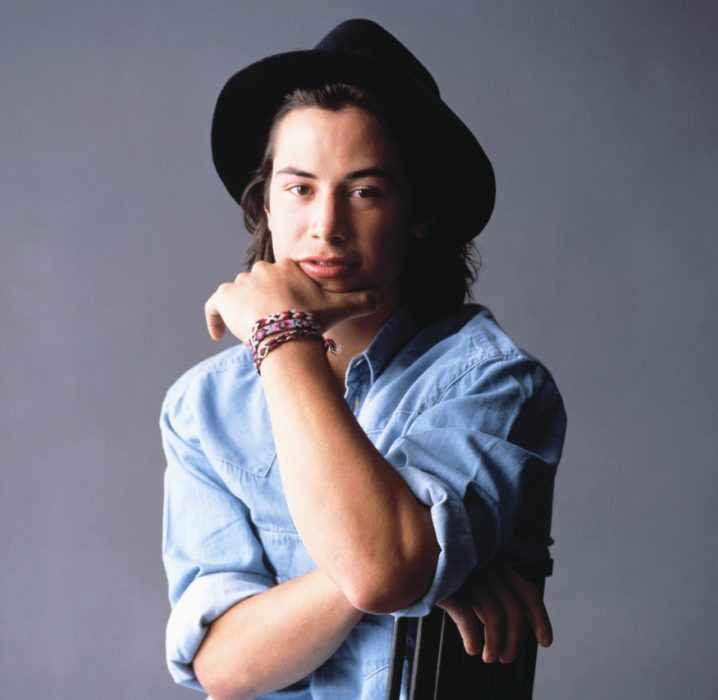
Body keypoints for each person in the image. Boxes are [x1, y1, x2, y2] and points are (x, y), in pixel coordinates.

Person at [161, 19, 566, 700]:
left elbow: (383, 573)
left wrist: (280, 340)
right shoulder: (205, 407)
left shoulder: (493, 381)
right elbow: (223, 668)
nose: (325, 228)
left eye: (365, 190)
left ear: (420, 211)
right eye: (299, 188)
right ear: (264, 202)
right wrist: (428, 568)